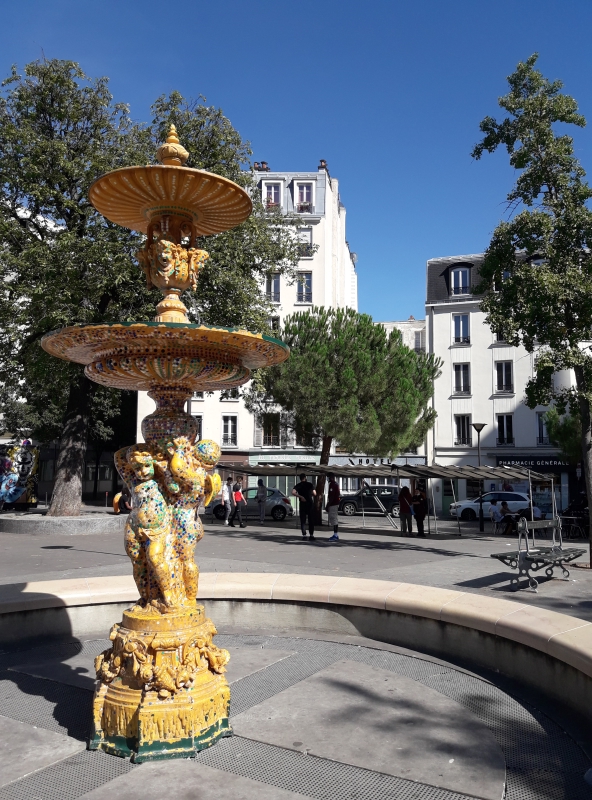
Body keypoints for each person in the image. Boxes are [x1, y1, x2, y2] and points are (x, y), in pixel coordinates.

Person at [292, 473, 316, 539]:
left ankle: (304, 535)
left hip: (302, 503)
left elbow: (293, 492)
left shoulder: (298, 485)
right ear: (305, 477)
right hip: (309, 503)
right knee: (311, 519)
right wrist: (310, 494)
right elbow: (314, 493)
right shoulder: (310, 484)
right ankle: (311, 535)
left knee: (303, 519)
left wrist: (300, 497)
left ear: (300, 478)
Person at [326, 472, 341, 541]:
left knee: (334, 519)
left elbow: (332, 496)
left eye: (328, 477)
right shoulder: (336, 484)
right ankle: (335, 534)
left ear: (330, 477)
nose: (327, 479)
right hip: (335, 503)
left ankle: (335, 535)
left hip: (333, 504)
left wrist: (328, 505)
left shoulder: (332, 485)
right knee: (334, 519)